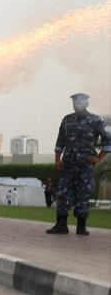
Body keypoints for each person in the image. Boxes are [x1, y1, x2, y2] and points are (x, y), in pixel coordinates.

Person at [47, 93, 111, 236]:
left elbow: (107, 140)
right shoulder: (67, 120)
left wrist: (99, 158)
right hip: (68, 165)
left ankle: (81, 226)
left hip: (85, 166)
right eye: (75, 103)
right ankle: (61, 224)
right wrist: (57, 160)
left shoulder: (96, 120)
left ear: (86, 103)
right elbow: (60, 142)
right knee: (63, 194)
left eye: (79, 103)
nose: (77, 105)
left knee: (83, 194)